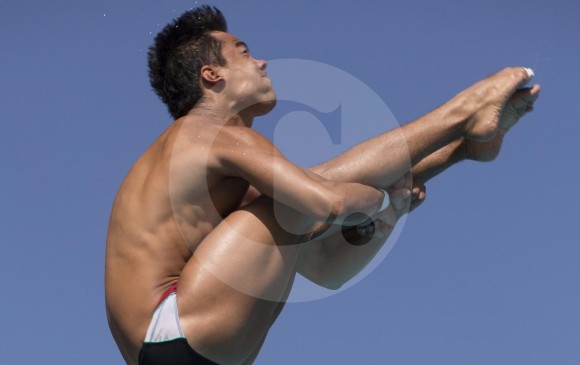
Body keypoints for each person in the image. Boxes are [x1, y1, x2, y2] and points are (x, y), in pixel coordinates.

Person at [105, 6, 540, 365]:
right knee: (299, 198)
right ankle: (462, 113)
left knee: (293, 203)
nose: (260, 61)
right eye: (243, 52)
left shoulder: (209, 173)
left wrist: (388, 203)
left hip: (178, 347)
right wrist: (372, 203)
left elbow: (323, 265)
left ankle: (463, 144)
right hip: (176, 328)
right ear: (211, 76)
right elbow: (327, 201)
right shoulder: (206, 131)